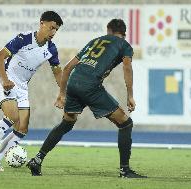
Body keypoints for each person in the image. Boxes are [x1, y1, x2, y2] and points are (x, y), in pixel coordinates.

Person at [26, 18, 147, 178]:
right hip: (90, 86)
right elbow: (127, 67)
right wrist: (130, 95)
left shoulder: (95, 41)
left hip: (73, 83)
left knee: (66, 123)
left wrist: (62, 93)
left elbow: (68, 67)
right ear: (123, 34)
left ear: (108, 31)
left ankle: (38, 159)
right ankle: (125, 170)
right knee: (125, 123)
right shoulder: (124, 45)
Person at [0, 11, 63, 172]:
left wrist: (63, 92)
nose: (53, 32)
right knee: (13, 116)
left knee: (22, 128)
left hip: (22, 86)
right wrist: (5, 80)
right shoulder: (23, 39)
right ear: (42, 23)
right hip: (6, 79)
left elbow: (57, 71)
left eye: (56, 30)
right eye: (51, 28)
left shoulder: (51, 49)